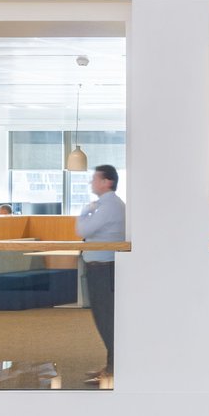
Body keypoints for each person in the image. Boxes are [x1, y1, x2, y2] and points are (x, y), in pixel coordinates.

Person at [76, 163, 125, 386]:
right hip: (102, 267)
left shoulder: (108, 206)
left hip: (104, 269)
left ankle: (115, 368)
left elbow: (83, 231)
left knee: (107, 320)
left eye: (95, 179)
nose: (91, 182)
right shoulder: (108, 205)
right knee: (105, 319)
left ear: (108, 182)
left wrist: (85, 210)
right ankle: (111, 365)